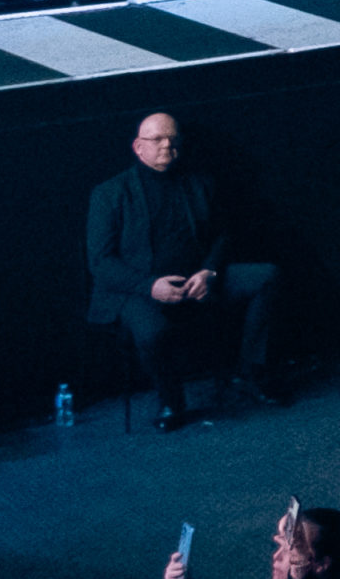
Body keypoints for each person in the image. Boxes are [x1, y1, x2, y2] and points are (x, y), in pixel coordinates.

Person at [91, 109, 283, 429]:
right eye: (158, 139)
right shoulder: (110, 193)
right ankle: (171, 401)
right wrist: (150, 286)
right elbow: (100, 262)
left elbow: (223, 235)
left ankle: (252, 372)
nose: (167, 145)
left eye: (173, 138)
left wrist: (209, 271)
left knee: (267, 276)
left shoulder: (198, 182)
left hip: (197, 280)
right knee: (153, 332)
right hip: (138, 289)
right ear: (139, 147)